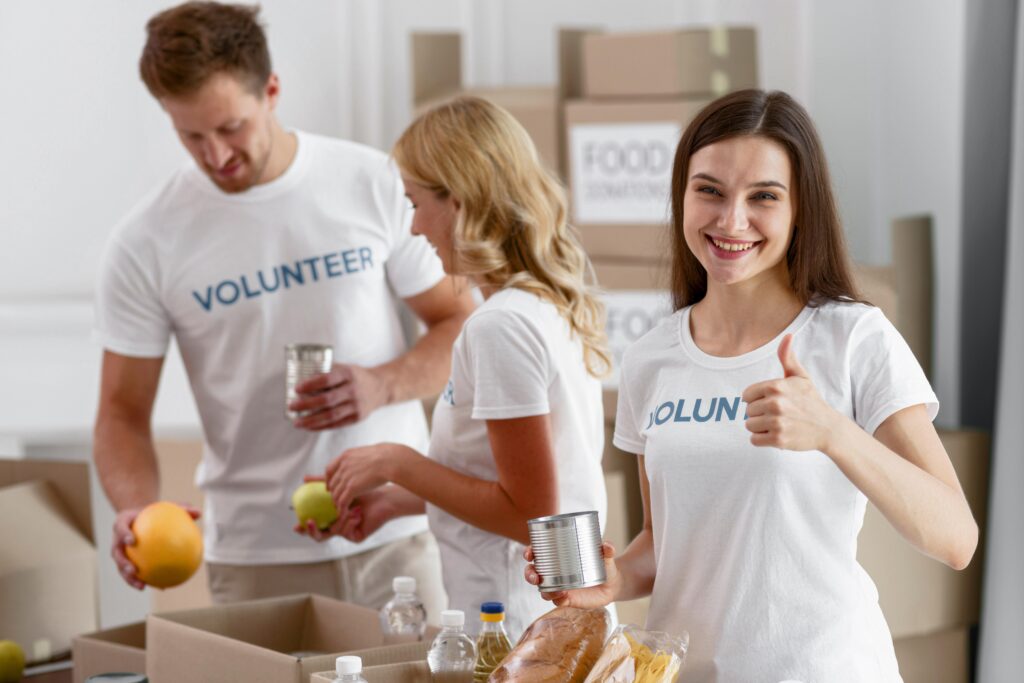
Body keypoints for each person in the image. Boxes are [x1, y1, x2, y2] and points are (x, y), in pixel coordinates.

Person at [525, 89, 979, 681]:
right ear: (681, 196)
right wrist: (612, 580)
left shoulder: (851, 338)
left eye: (763, 196)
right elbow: (665, 543)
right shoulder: (651, 357)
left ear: (800, 210)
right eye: (708, 190)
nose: (730, 220)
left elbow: (955, 538)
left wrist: (832, 432)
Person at [92, 1, 474, 615]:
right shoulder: (146, 241)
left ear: (270, 91)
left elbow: (459, 324)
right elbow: (121, 411)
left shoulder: (373, 181)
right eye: (191, 135)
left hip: (396, 533)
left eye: (231, 127)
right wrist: (135, 508)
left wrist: (383, 384)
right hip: (253, 557)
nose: (216, 155)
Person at [304, 96, 611, 639]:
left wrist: (398, 462)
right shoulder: (543, 308)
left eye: (416, 203)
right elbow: (506, 481)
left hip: (516, 631)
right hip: (549, 625)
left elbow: (530, 516)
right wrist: (396, 503)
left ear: (461, 202)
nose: (416, 227)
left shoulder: (499, 327)